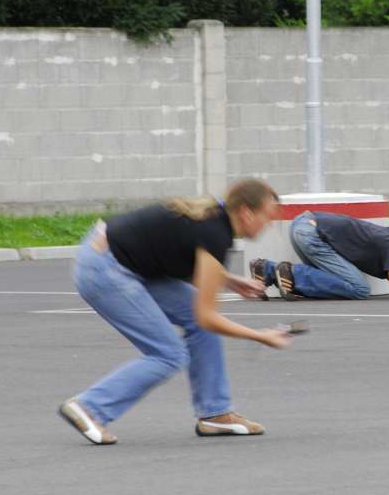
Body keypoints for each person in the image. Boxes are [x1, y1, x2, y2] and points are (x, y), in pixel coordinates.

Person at [58, 179, 290, 445]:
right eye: (267, 217)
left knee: (194, 318)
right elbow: (208, 317)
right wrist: (260, 336)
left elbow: (180, 249)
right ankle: (90, 407)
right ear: (247, 213)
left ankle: (215, 413)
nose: (269, 225)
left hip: (115, 256)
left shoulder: (214, 217)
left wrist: (227, 279)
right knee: (168, 354)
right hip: (105, 269)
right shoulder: (215, 234)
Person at [250, 211, 389, 301]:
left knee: (337, 281)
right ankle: (292, 274)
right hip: (311, 232)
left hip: (305, 226)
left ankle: (266, 269)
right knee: (359, 289)